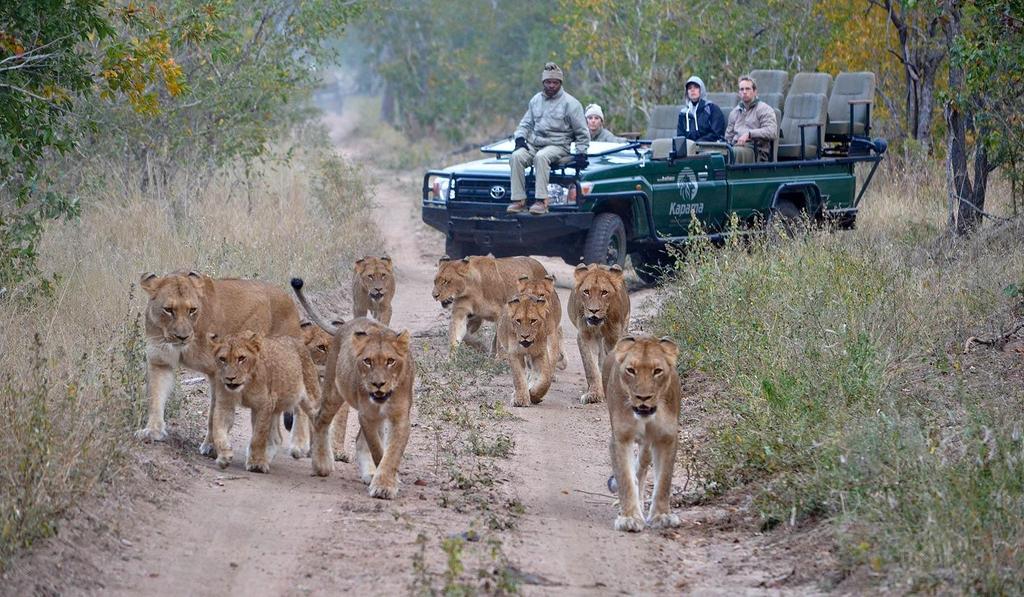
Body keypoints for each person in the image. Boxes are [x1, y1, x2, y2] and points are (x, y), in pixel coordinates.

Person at [509, 62, 590, 215]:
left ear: (560, 83)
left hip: (559, 145)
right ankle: (518, 200)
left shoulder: (571, 104)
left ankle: (541, 201)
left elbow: (582, 132)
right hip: (535, 143)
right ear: (543, 82)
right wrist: (520, 139)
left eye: (555, 82)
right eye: (548, 82)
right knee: (516, 156)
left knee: (541, 157)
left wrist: (581, 152)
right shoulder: (535, 101)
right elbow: (525, 123)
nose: (551, 85)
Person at [724, 75, 778, 162]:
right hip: (736, 147)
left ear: (755, 91)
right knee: (719, 153)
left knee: (734, 153)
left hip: (756, 150)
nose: (744, 92)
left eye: (747, 89)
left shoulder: (764, 109)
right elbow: (728, 137)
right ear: (739, 92)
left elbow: (772, 131)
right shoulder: (735, 112)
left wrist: (750, 134)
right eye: (742, 89)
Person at [676, 76, 725, 142]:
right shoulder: (683, 114)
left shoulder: (712, 109)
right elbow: (680, 136)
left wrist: (697, 143)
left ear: (701, 90)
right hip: (689, 148)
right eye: (690, 88)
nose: (692, 90)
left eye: (696, 87)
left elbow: (717, 133)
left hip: (708, 147)